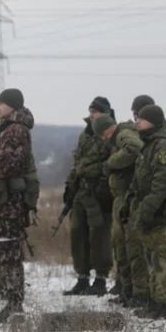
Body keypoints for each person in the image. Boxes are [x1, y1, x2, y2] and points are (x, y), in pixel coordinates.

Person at [0, 88, 36, 324]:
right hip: (3, 205)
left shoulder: (14, 131)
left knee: (9, 254)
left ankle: (15, 305)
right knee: (4, 254)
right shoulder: (9, 128)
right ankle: (12, 302)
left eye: (1, 103)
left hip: (8, 206)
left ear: (12, 105)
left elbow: (8, 164)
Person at [124, 104, 166, 320]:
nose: (137, 121)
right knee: (150, 256)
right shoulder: (149, 144)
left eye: (143, 119)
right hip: (146, 209)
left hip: (157, 211)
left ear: (154, 121)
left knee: (160, 257)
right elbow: (140, 180)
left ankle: (162, 304)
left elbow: (162, 182)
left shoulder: (162, 147)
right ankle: (154, 300)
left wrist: (147, 208)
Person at [92, 110, 148, 308]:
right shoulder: (118, 137)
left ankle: (140, 293)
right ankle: (128, 290)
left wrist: (111, 162)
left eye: (102, 134)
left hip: (130, 198)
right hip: (121, 198)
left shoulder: (123, 134)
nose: (102, 139)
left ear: (106, 130)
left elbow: (135, 149)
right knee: (120, 245)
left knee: (133, 246)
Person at [63, 97, 114, 296]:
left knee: (99, 235)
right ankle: (82, 277)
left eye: (96, 111)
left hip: (99, 191)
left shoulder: (111, 133)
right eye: (91, 111)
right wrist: (70, 185)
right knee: (77, 233)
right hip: (81, 191)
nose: (92, 115)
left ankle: (101, 278)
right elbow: (77, 161)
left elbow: (112, 161)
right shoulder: (86, 133)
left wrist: (101, 180)